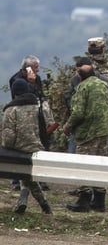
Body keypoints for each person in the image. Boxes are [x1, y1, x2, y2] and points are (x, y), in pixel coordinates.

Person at [62, 57, 108, 213]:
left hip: (88, 133)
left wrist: (67, 126)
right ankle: (99, 202)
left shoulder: (82, 88)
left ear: (80, 75)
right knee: (100, 165)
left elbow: (77, 112)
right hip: (104, 131)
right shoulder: (104, 85)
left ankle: (83, 201)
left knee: (83, 165)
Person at [2, 77, 53, 214]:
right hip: (39, 148)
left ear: (14, 92)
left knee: (22, 169)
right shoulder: (40, 106)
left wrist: (7, 147)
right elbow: (50, 125)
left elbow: (9, 137)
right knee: (26, 174)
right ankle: (44, 206)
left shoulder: (10, 110)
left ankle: (33, 201)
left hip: (20, 149)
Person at [8, 55, 52, 191]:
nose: (38, 70)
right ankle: (17, 180)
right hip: (23, 116)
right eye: (35, 67)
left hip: (37, 114)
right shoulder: (17, 80)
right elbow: (25, 96)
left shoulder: (36, 78)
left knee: (42, 144)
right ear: (27, 68)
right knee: (21, 146)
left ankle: (40, 179)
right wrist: (31, 83)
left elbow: (40, 94)